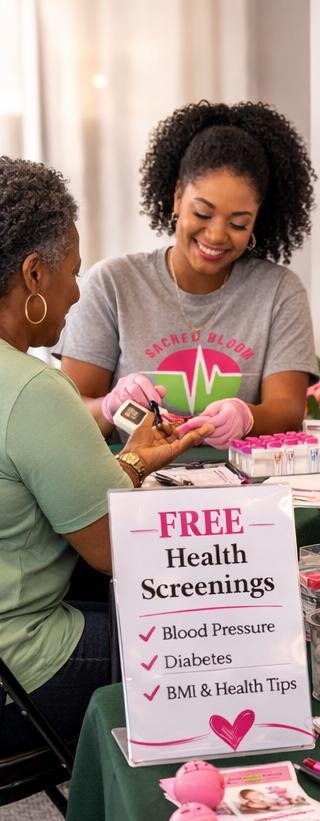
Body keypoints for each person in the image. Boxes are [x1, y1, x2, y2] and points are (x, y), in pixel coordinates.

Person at [0, 157, 214, 758]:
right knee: (203, 639)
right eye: (71, 273)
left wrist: (136, 463)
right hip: (20, 672)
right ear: (33, 274)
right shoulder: (33, 390)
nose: (75, 290)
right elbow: (115, 550)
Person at [58, 100, 318, 447]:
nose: (215, 235)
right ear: (178, 196)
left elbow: (287, 409)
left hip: (240, 488)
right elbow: (70, 413)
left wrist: (247, 416)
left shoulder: (279, 291)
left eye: (238, 222)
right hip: (132, 484)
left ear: (258, 220)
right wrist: (109, 406)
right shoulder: (112, 284)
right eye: (203, 213)